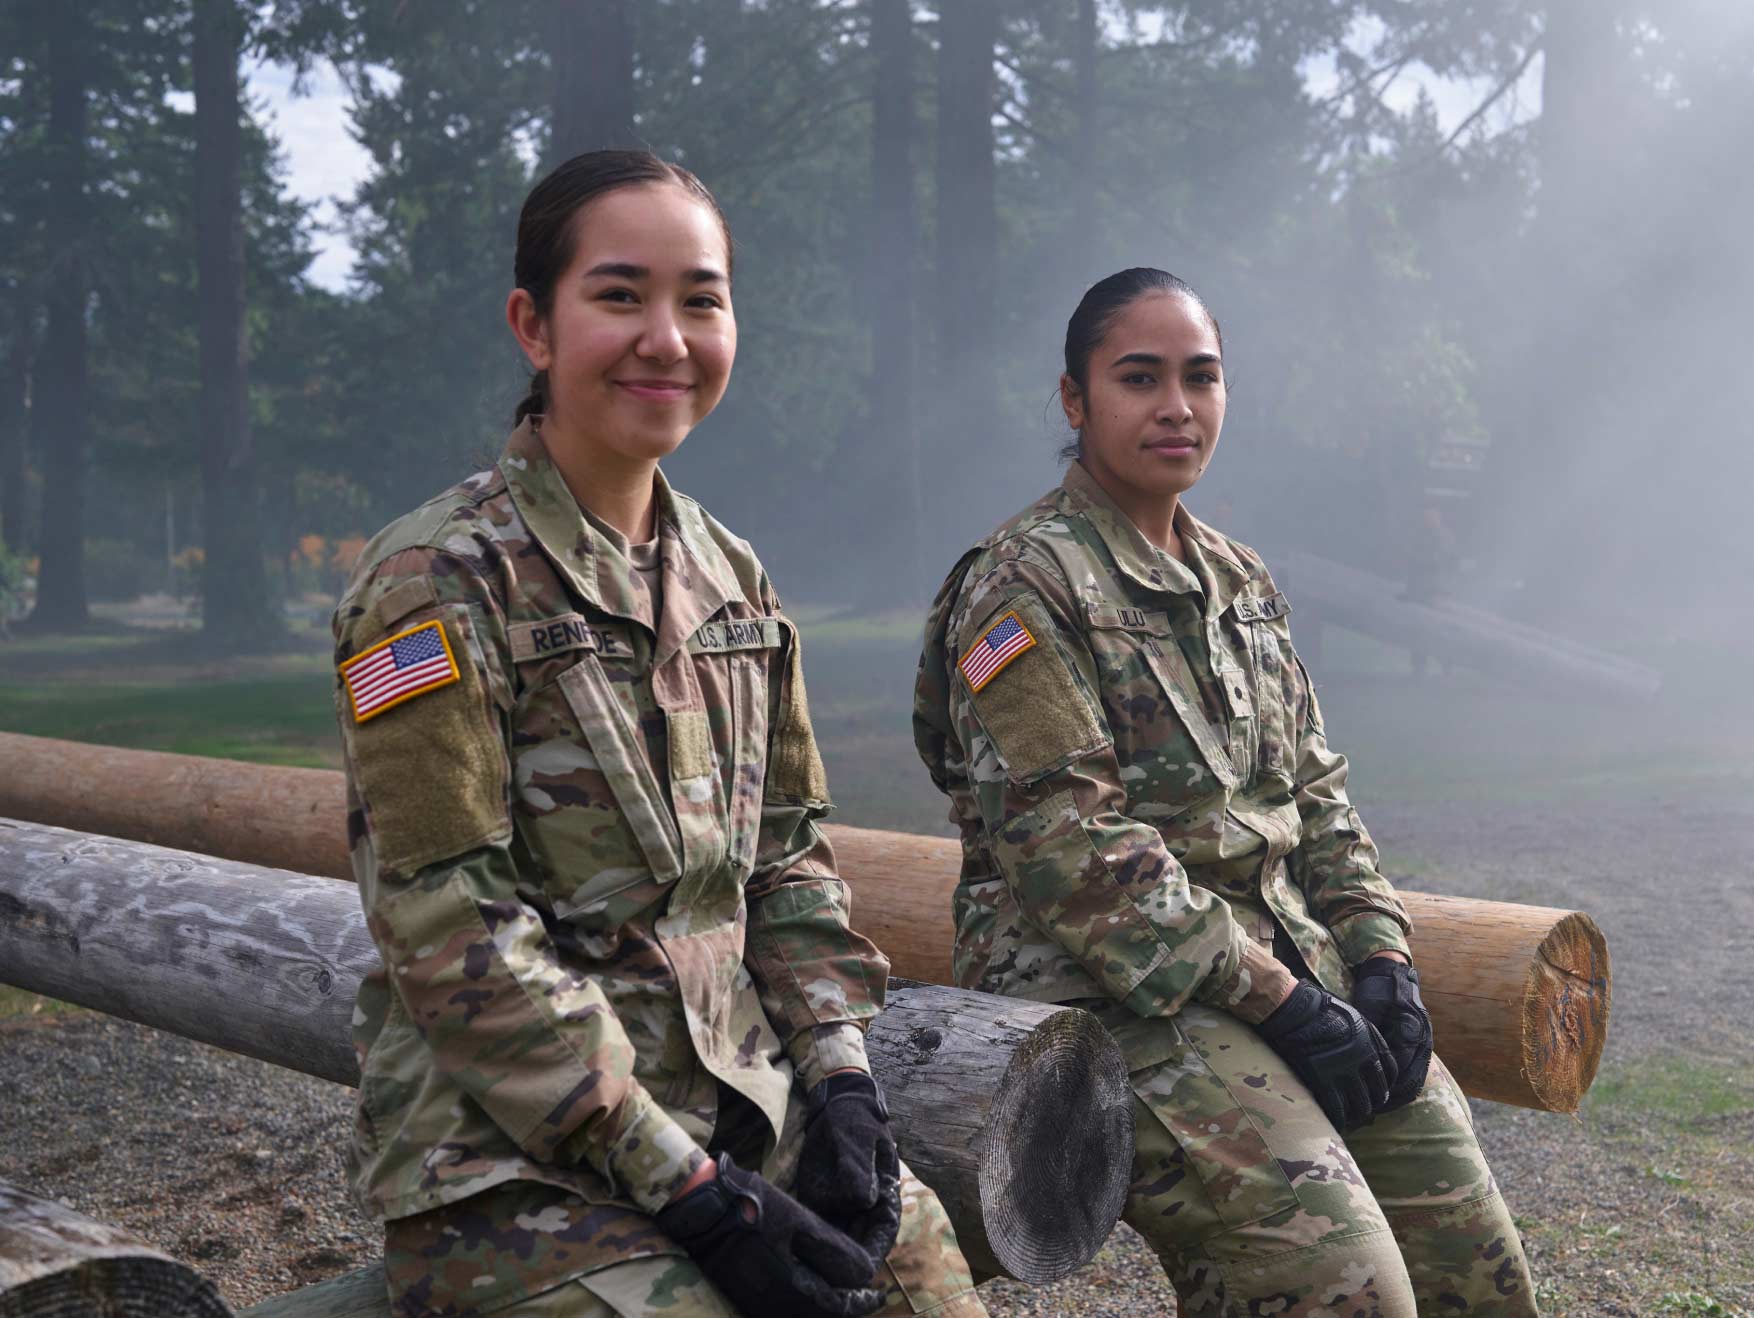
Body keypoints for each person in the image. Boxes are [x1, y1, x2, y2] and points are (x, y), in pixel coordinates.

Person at [332, 150, 985, 1318]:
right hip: (512, 1167)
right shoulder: (434, 580)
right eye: (620, 295)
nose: (667, 338)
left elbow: (784, 861)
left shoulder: (732, 578)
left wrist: (839, 1086)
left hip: (740, 1114)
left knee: (928, 1285)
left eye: (701, 298)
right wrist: (678, 1185)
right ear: (534, 324)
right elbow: (450, 930)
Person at [912, 268, 1537, 1316]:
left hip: (1285, 967)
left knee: (1475, 1271)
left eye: (1199, 377)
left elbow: (1316, 795)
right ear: (1074, 401)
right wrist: (1286, 1003)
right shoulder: (1023, 586)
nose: (1174, 405)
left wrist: (1382, 960)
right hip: (1110, 990)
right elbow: (1074, 855)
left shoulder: (1237, 581)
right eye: (1137, 377)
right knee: (1336, 1286)